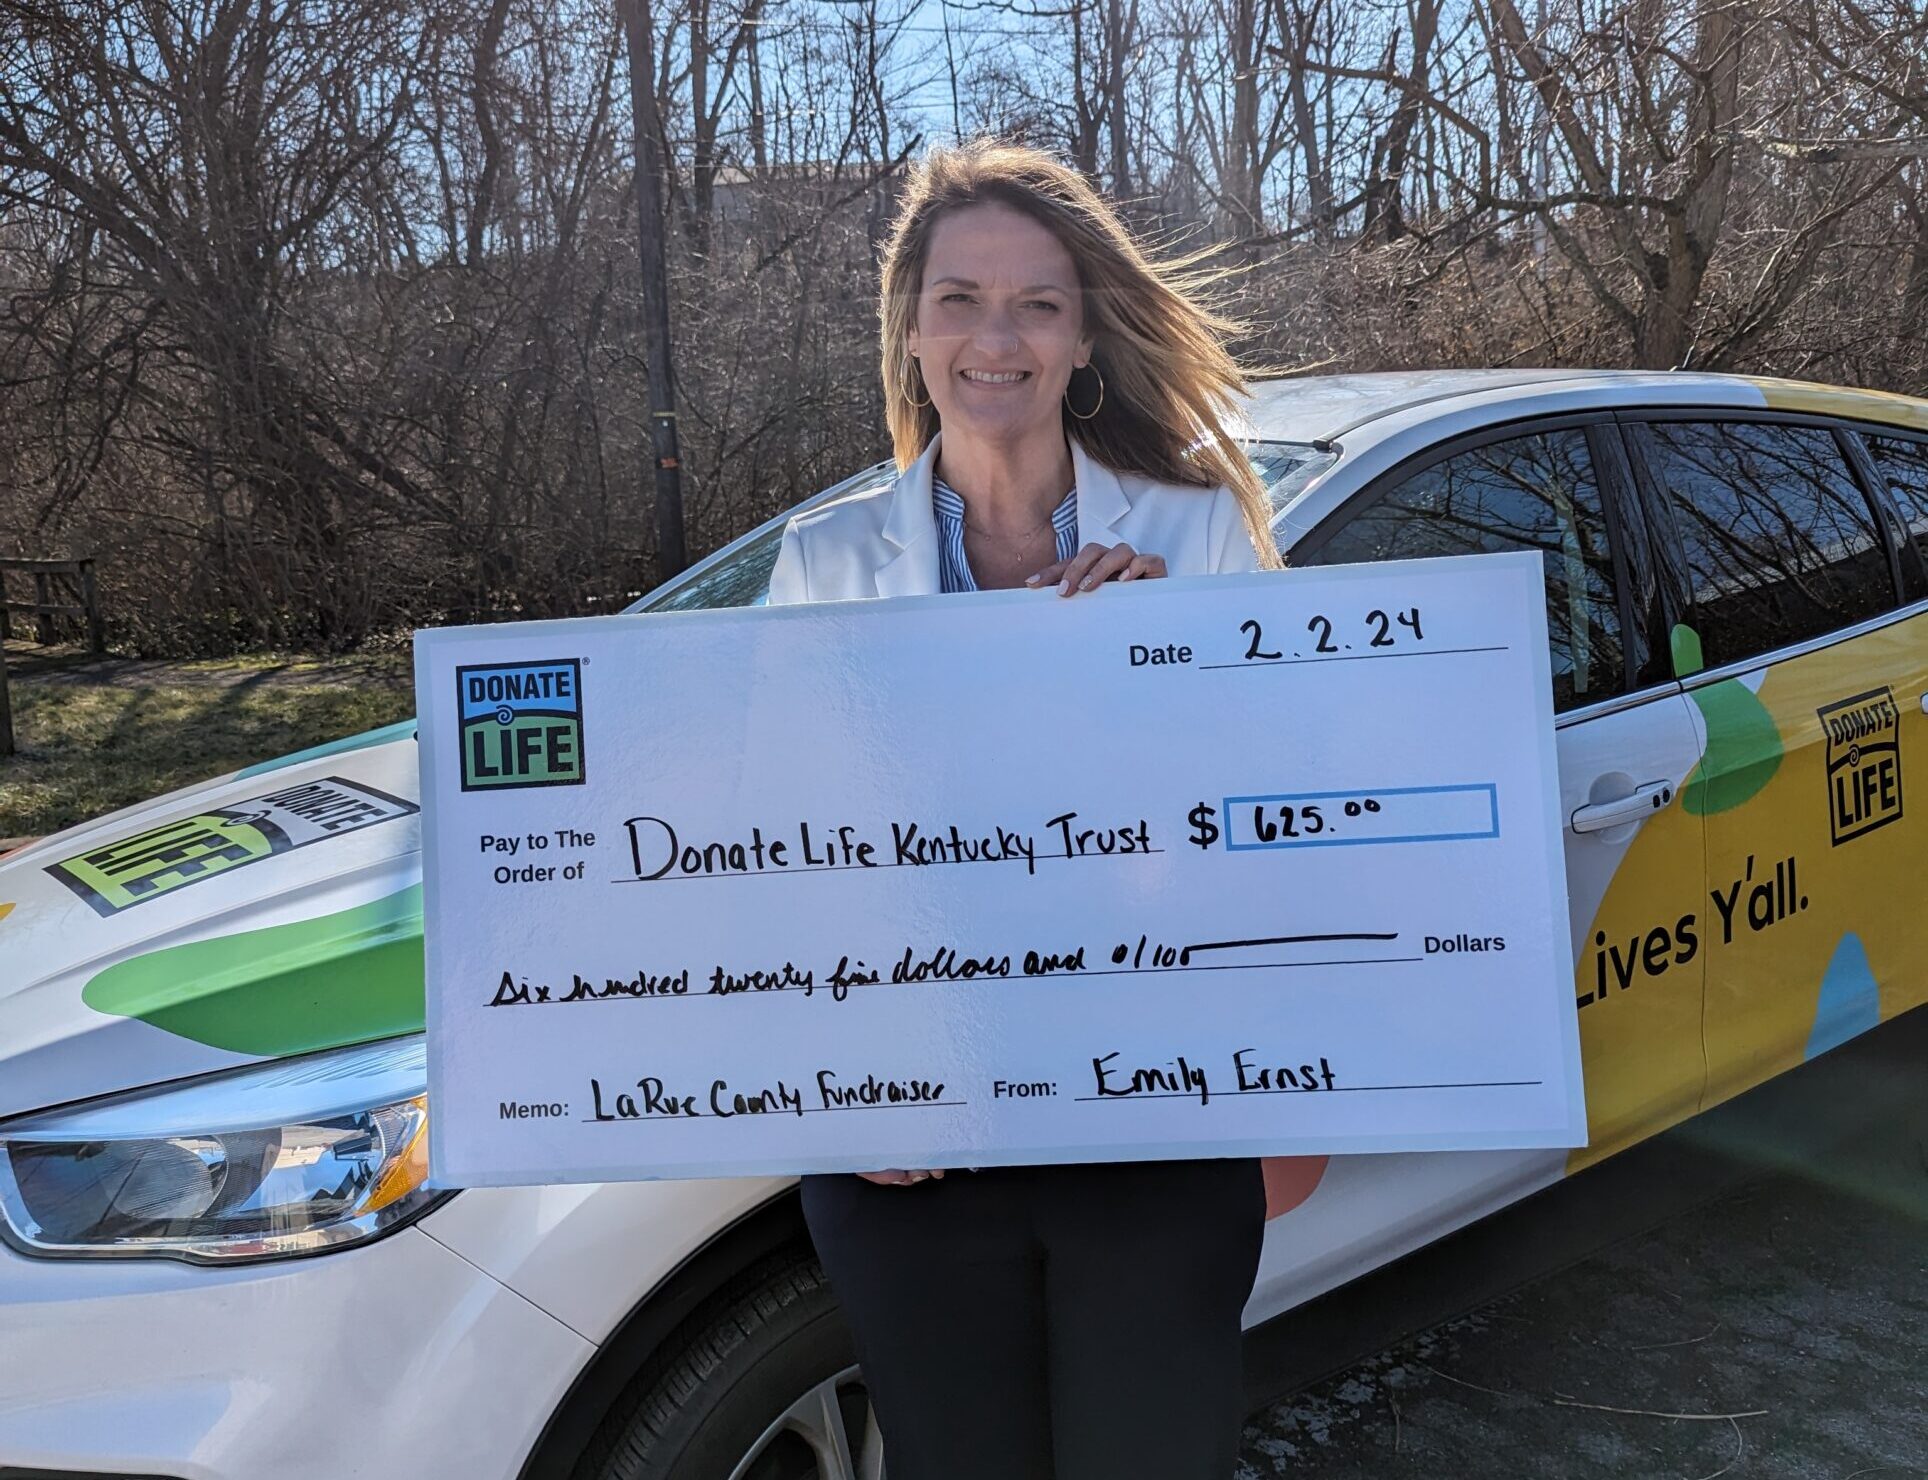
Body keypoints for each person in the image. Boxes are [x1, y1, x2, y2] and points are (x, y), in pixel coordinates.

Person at [766, 138, 1277, 1480]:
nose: (998, 336)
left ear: (1083, 335)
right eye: (960, 299)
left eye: (1038, 303)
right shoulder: (821, 561)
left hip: (1150, 1124)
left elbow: (1273, 838)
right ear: (911, 330)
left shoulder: (1196, 538)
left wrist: (1170, 671)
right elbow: (769, 857)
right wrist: (844, 1092)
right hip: (911, 1147)